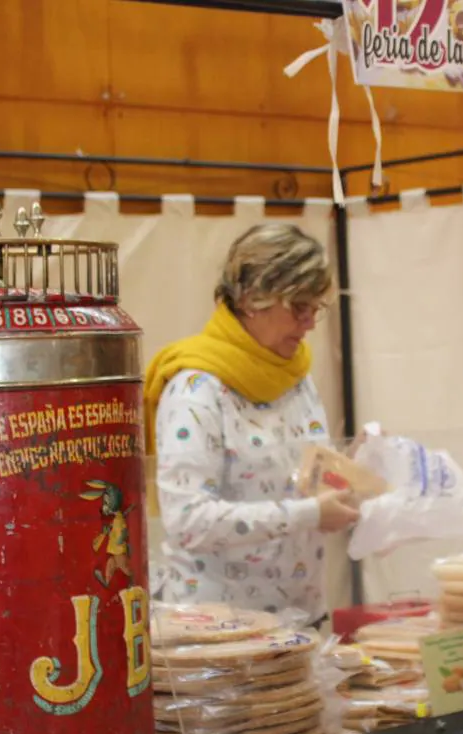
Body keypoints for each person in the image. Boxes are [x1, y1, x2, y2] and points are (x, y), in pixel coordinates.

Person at [143, 223, 359, 628]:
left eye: (318, 307)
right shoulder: (197, 388)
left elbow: (296, 480)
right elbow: (187, 520)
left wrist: (350, 473)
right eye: (299, 307)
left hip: (300, 619)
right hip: (220, 632)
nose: (311, 322)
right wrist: (308, 514)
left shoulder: (297, 377)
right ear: (251, 299)